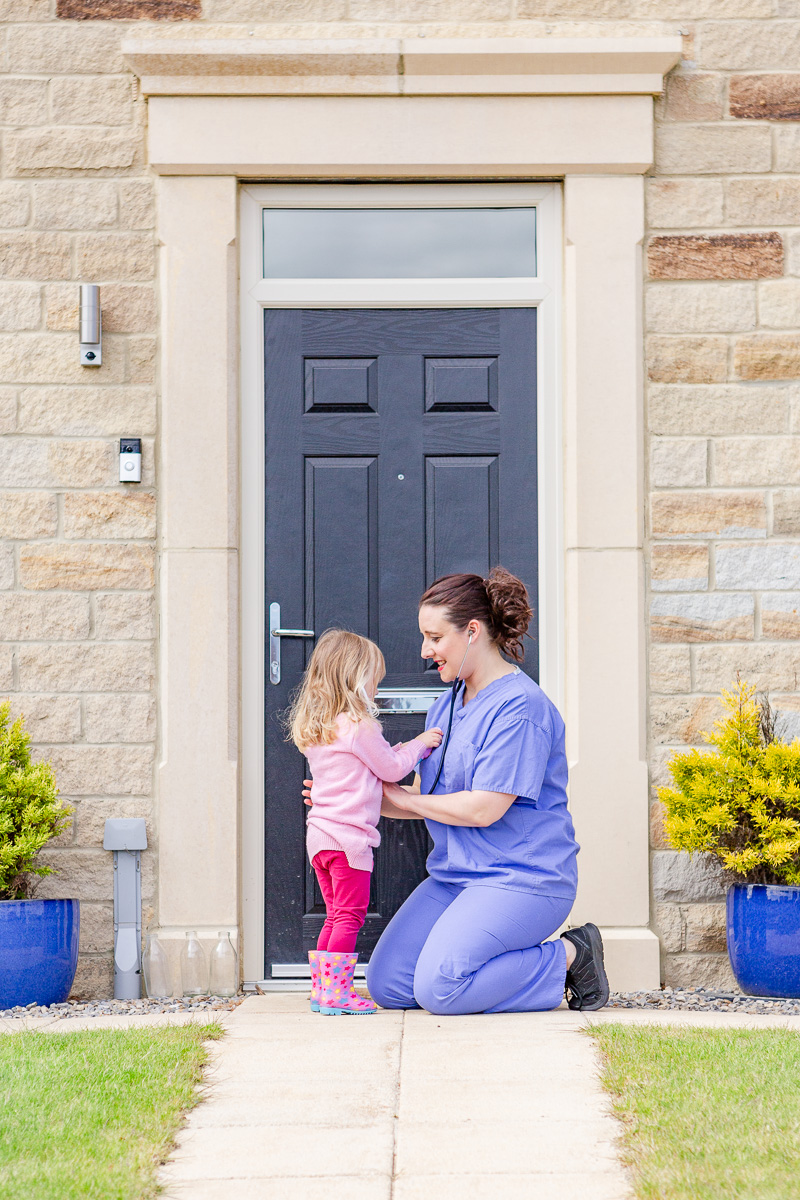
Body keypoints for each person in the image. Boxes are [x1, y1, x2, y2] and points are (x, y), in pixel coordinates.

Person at [363, 568, 609, 1015]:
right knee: (389, 986)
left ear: (472, 631)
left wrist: (404, 799)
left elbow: (483, 809)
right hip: (457, 876)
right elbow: (425, 797)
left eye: (434, 637)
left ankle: (572, 956)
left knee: (441, 988)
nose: (425, 651)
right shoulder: (446, 704)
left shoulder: (521, 708)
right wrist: (358, 799)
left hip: (524, 880)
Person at [289, 628, 442, 1015]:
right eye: (374, 679)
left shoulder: (321, 728)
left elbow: (362, 769)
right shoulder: (359, 726)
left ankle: (323, 991)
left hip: (320, 837)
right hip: (349, 841)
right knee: (351, 915)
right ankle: (338, 994)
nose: (376, 688)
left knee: (334, 914)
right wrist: (420, 744)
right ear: (355, 679)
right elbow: (390, 767)